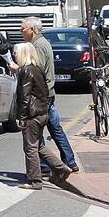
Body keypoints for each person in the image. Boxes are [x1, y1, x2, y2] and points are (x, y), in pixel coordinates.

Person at [22, 17, 79, 173]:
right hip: (47, 93)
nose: (21, 32)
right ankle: (69, 161)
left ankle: (46, 166)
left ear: (32, 30)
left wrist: (18, 69)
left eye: (23, 29)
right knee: (55, 129)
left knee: (36, 133)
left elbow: (36, 72)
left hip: (41, 95)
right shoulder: (40, 43)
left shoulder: (38, 46)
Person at [13, 42, 72, 190]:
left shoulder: (26, 70)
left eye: (16, 53)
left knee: (30, 148)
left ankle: (35, 180)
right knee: (38, 146)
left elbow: (25, 97)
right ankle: (61, 167)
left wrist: (21, 117)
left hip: (31, 115)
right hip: (42, 112)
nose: (14, 55)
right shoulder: (37, 69)